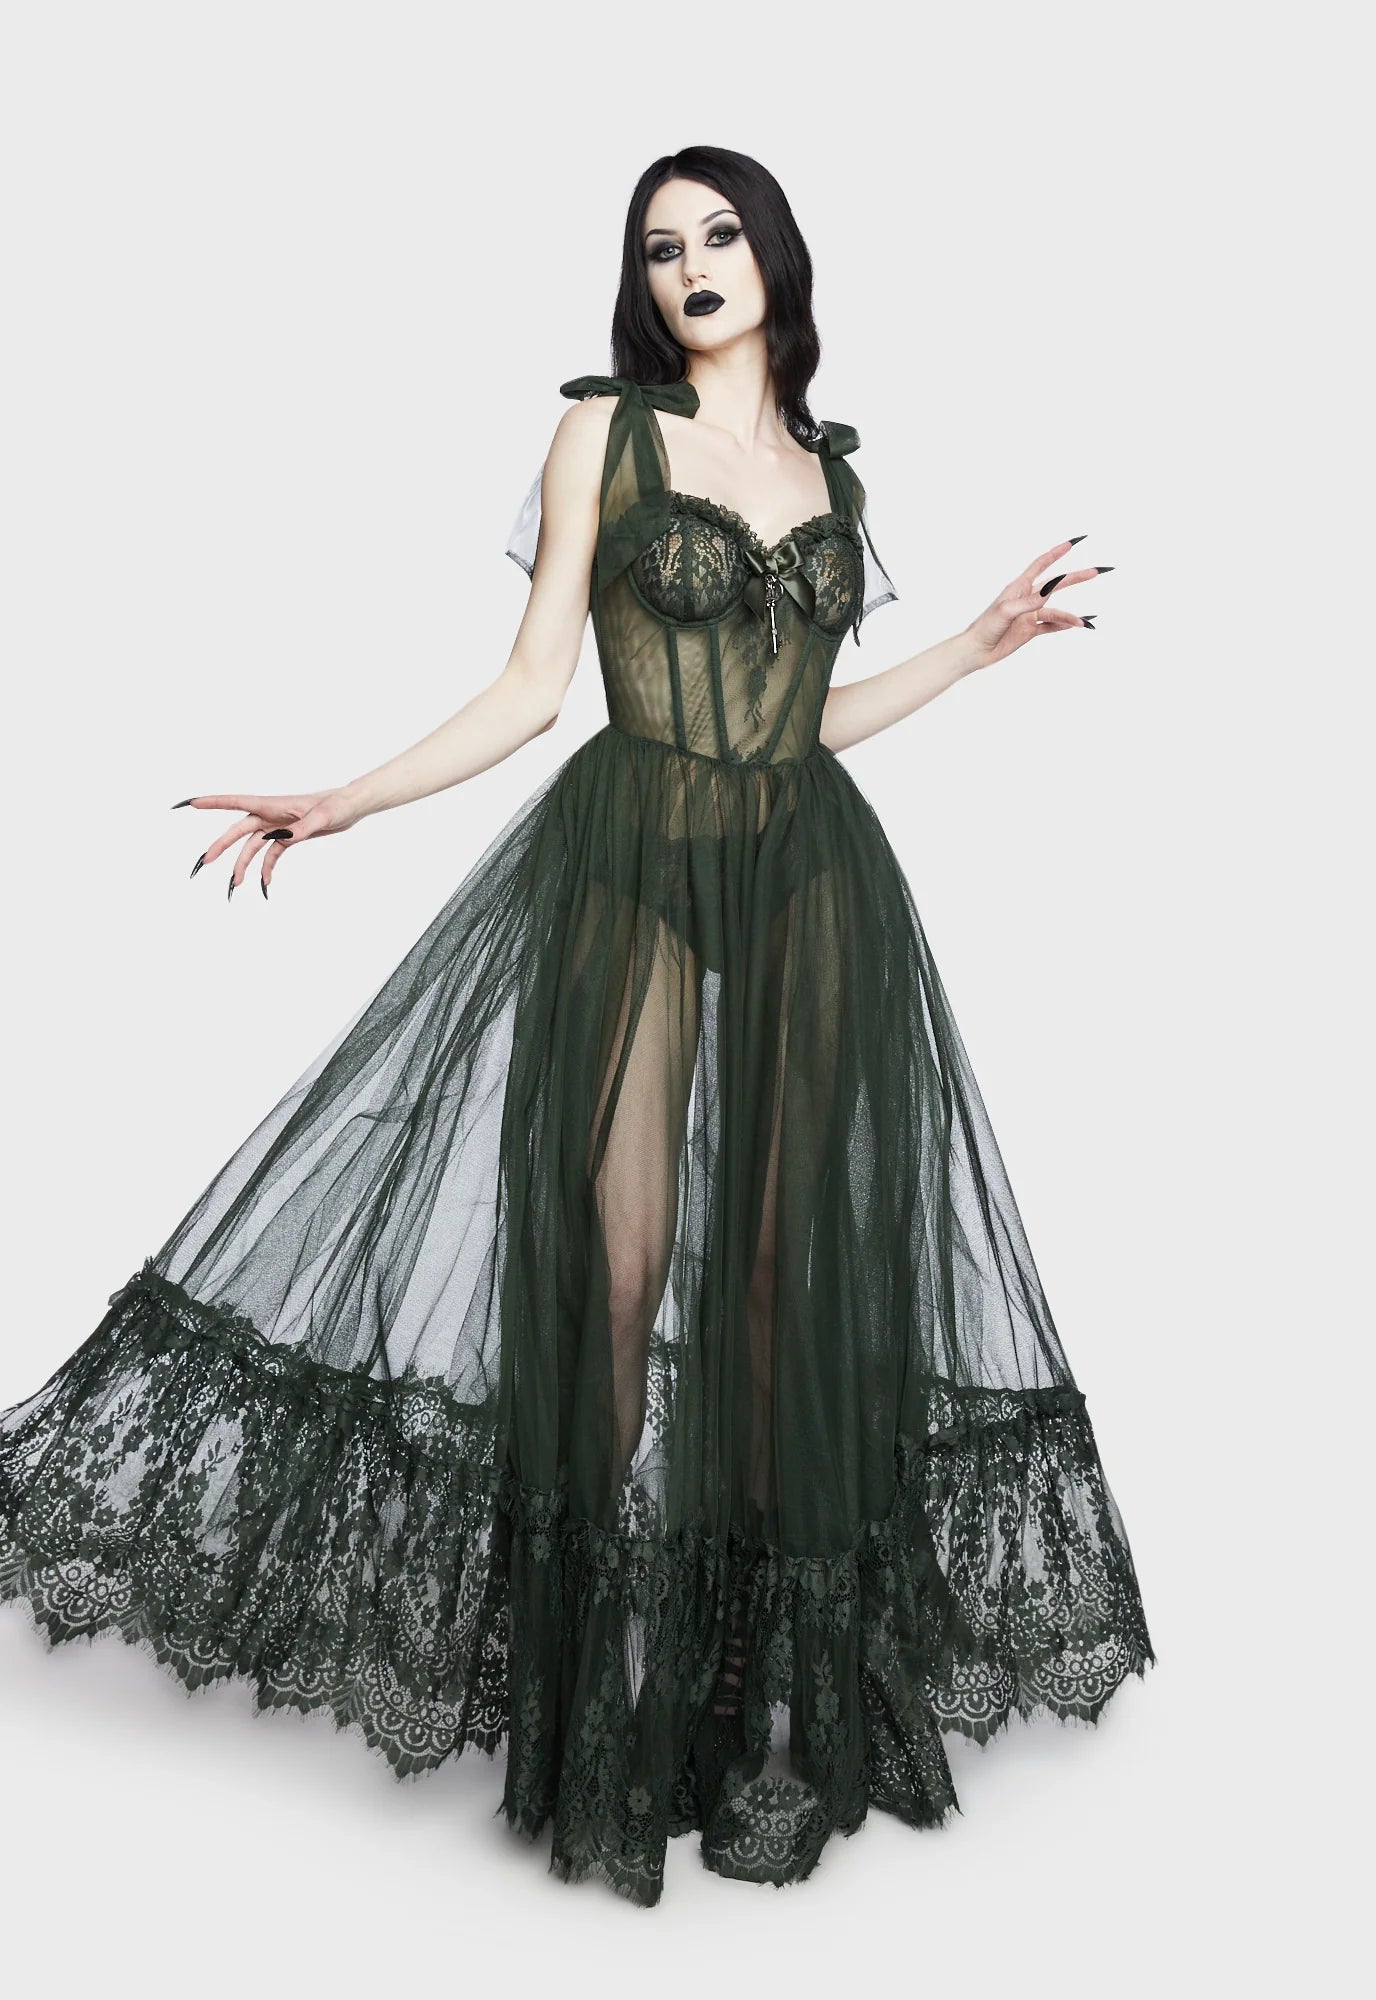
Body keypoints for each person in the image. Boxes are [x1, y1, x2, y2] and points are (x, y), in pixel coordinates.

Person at [0, 144, 1152, 1908]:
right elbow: (535, 688)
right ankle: (590, 1694)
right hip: (628, 853)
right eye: (660, 245)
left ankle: (741, 1691)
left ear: (776, 257)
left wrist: (976, 647)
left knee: (777, 1285)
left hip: (809, 874)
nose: (692, 264)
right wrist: (343, 797)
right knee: (613, 1271)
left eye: (721, 233)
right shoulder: (600, 436)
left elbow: (804, 720)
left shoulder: (830, 470)